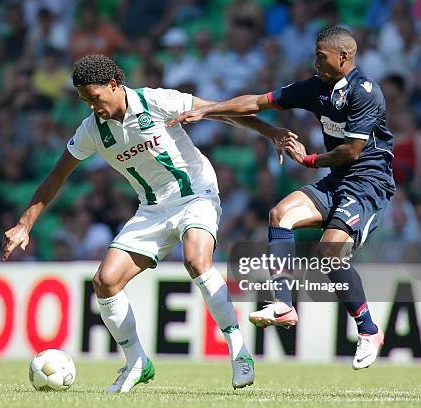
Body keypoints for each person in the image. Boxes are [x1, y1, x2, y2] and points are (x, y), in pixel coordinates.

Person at [2, 54, 292, 392]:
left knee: (196, 260)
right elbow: (57, 175)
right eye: (84, 101)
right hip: (152, 209)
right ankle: (137, 362)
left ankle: (239, 351)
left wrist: (270, 131)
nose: (92, 107)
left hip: (195, 193)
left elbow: (221, 111)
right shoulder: (92, 131)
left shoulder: (156, 101)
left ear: (114, 85)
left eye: (94, 98)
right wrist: (25, 224)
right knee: (105, 281)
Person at [168, 27, 395, 370]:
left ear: (343, 57)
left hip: (368, 182)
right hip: (337, 180)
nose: (315, 61)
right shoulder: (315, 89)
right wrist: (208, 110)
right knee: (280, 214)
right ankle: (283, 305)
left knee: (329, 251)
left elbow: (351, 151)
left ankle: (368, 330)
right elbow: (258, 101)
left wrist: (308, 160)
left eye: (321, 56)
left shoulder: (365, 93)